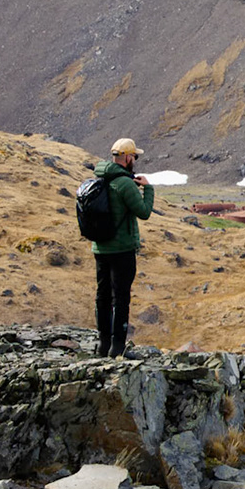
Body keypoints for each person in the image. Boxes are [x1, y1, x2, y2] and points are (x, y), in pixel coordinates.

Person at [92, 138, 156, 357]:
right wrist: (148, 189)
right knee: (121, 298)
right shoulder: (125, 183)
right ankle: (117, 347)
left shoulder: (99, 178)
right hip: (122, 250)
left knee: (102, 296)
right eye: (134, 157)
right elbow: (144, 212)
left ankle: (102, 343)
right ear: (127, 157)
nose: (135, 160)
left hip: (100, 248)